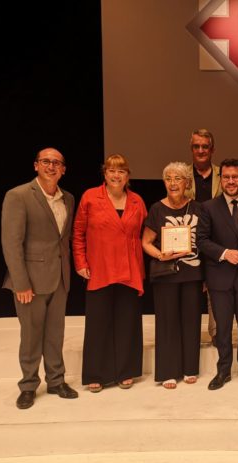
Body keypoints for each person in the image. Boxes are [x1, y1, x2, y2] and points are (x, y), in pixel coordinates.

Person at [1, 148, 78, 409]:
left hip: (59, 278)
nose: (51, 166)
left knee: (55, 334)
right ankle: (29, 385)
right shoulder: (18, 196)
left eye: (57, 163)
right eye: (46, 161)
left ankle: (56, 381)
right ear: (36, 165)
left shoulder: (68, 198)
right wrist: (20, 282)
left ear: (64, 169)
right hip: (30, 282)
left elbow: (62, 240)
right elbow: (11, 243)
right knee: (32, 335)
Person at [73, 154, 147, 392]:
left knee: (127, 322)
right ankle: (96, 373)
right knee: (98, 323)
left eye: (121, 171)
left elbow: (146, 234)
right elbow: (78, 233)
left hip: (129, 269)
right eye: (112, 171)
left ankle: (126, 371)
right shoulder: (90, 197)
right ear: (104, 174)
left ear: (128, 176)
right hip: (100, 268)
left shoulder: (137, 201)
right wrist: (80, 261)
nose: (116, 175)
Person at [198, 158, 238, 390]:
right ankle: (223, 370)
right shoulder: (208, 207)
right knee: (223, 327)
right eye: (226, 177)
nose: (231, 181)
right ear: (221, 179)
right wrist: (225, 253)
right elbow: (202, 240)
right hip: (219, 277)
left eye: (235, 177)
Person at [142, 162, 203, 389]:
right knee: (167, 322)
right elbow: (145, 242)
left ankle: (190, 368)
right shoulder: (157, 209)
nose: (173, 183)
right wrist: (160, 255)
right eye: (168, 178)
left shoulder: (198, 208)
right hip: (166, 273)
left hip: (192, 273)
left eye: (178, 178)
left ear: (187, 182)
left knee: (191, 321)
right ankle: (168, 371)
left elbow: (204, 244)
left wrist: (205, 276)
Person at [184, 129, 221, 346]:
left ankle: (216, 333)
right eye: (196, 146)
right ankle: (189, 336)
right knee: (191, 288)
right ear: (191, 149)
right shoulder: (182, 175)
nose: (200, 150)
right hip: (187, 239)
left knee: (215, 287)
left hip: (215, 240)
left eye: (204, 146)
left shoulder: (222, 174)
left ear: (212, 149)